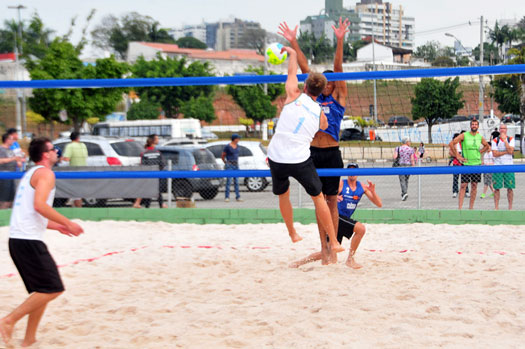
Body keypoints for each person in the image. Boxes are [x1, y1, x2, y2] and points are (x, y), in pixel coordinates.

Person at [0, 137, 84, 347]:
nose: (57, 152)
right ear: (45, 154)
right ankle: (8, 321)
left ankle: (29, 339)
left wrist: (59, 227)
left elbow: (33, 213)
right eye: (53, 149)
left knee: (42, 290)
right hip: (27, 242)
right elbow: (39, 206)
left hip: (20, 240)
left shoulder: (31, 173)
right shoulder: (46, 173)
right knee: (53, 288)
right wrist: (68, 222)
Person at [279, 18, 349, 263]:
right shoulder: (312, 97)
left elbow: (338, 68)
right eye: (324, 83)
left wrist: (340, 39)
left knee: (332, 201)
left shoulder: (338, 96)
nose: (327, 85)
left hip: (332, 153)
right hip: (312, 153)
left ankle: (333, 246)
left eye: (330, 83)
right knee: (319, 201)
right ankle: (325, 248)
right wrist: (293, 41)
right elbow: (305, 67)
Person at [289, 163, 382, 269]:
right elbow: (329, 195)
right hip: (335, 217)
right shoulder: (342, 184)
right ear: (346, 173)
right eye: (349, 170)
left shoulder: (362, 187)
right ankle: (350, 260)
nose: (352, 173)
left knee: (329, 252)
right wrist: (335, 197)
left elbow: (379, 204)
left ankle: (299, 263)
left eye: (354, 170)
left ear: (358, 172)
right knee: (361, 229)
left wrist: (373, 192)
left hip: (342, 220)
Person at [449, 119, 490, 210]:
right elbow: (451, 143)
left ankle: (471, 208)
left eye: (476, 124)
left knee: (474, 186)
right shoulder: (464, 135)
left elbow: (487, 146)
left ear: (478, 126)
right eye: (473, 124)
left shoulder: (480, 137)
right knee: (463, 185)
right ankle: (460, 208)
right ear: (470, 126)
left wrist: (480, 152)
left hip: (477, 164)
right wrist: (457, 155)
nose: (474, 126)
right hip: (467, 164)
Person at [133, 134, 167, 208]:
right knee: (156, 191)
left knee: (149, 191)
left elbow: (143, 166)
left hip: (148, 175)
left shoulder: (144, 153)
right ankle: (161, 205)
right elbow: (162, 164)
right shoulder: (158, 153)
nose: (158, 140)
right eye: (157, 139)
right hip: (157, 175)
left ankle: (147, 207)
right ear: (153, 141)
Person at [491, 124, 515, 210]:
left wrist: (505, 141)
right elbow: (495, 154)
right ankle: (496, 207)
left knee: (510, 188)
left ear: (506, 130)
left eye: (504, 128)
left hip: (509, 166)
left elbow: (511, 151)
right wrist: (506, 152)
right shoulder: (495, 140)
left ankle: (510, 207)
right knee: (497, 188)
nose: (502, 130)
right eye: (501, 128)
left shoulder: (510, 139)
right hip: (498, 166)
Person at [62, 131, 88, 207]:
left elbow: (66, 159)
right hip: (84, 171)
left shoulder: (70, 146)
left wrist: (60, 158)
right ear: (78, 138)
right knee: (77, 193)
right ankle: (75, 206)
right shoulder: (83, 145)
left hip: (74, 171)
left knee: (76, 194)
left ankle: (78, 209)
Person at [0, 133, 25, 209]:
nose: (13, 141)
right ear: (7, 140)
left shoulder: (10, 150)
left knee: (10, 199)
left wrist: (19, 161)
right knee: (4, 199)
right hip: (4, 176)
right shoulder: (1, 149)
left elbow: (14, 160)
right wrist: (13, 159)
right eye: (11, 139)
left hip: (12, 175)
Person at [222, 134, 243, 202]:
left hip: (236, 165)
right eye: (238, 138)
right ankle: (227, 196)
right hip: (229, 165)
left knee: (236, 181)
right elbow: (223, 155)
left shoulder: (238, 146)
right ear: (234, 139)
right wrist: (226, 162)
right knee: (229, 181)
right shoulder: (228, 146)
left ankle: (238, 196)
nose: (239, 140)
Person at [393, 137, 415, 201]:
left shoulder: (398, 148)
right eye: (409, 141)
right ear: (407, 142)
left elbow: (395, 157)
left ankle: (404, 193)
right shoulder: (411, 149)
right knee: (406, 180)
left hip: (401, 165)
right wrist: (413, 167)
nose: (410, 142)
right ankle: (404, 193)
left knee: (402, 180)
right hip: (408, 165)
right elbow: (412, 159)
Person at [480, 132, 497, 199]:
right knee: (489, 182)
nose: (487, 148)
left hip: (490, 169)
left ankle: (483, 194)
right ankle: (494, 192)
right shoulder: (485, 154)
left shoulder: (492, 153)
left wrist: (487, 164)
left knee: (487, 183)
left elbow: (494, 162)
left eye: (488, 146)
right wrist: (482, 163)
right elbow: (484, 161)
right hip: (485, 169)